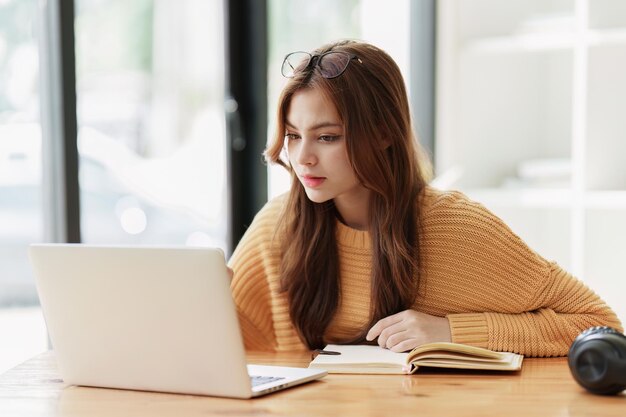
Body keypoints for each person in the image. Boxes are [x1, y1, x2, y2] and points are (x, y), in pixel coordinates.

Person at [228, 39, 622, 356]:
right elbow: (231, 338)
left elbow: (596, 322)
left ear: (383, 134)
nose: (302, 158)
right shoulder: (278, 224)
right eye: (294, 135)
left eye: (327, 137)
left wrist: (450, 330)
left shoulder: (453, 228)